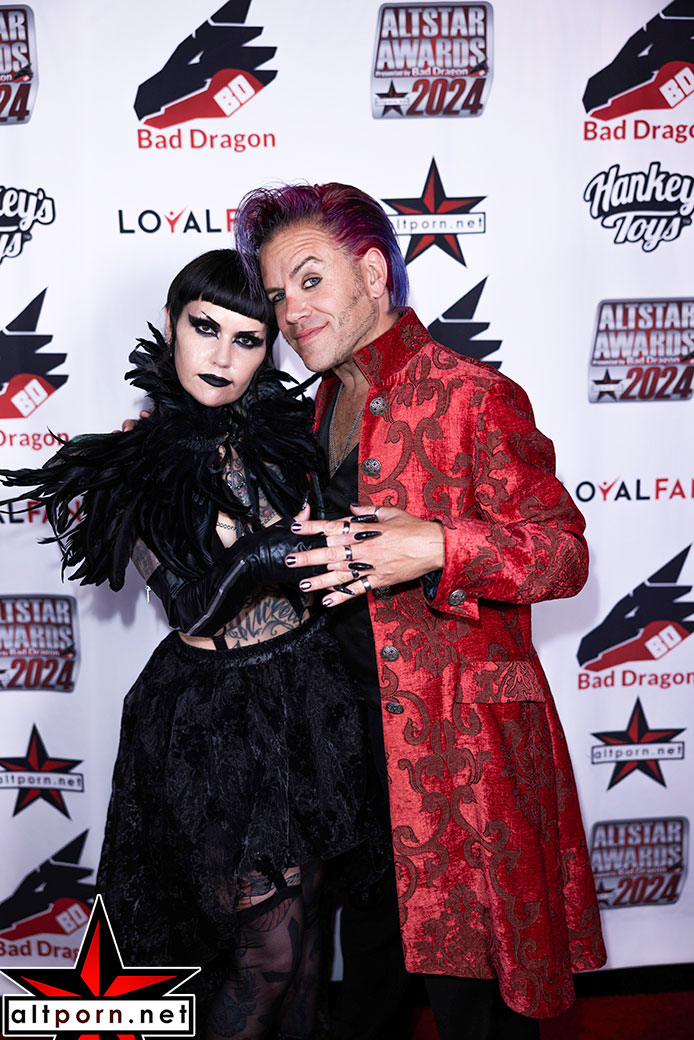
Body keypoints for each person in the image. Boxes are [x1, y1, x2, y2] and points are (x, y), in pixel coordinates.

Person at [233, 184, 607, 1039]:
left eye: (311, 280)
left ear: (372, 272)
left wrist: (439, 544)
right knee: (368, 989)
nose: (292, 312)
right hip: (357, 762)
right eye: (279, 295)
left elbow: (563, 553)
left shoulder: (474, 395)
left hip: (461, 765)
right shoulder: (319, 403)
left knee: (477, 1007)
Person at [0, 249, 377, 1040]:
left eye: (247, 339)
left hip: (310, 696)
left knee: (311, 940)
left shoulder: (288, 434)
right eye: (206, 328)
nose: (222, 355)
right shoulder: (128, 466)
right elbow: (189, 609)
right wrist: (259, 555)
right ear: (171, 324)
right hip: (216, 721)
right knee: (264, 954)